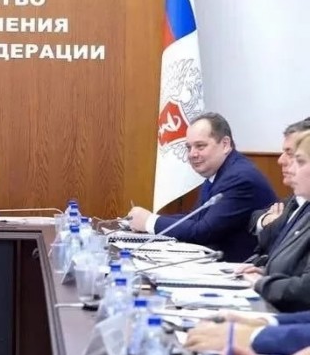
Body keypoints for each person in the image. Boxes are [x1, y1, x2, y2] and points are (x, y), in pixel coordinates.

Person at [127, 112, 277, 261]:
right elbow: (196, 218)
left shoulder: (239, 178)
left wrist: (150, 222)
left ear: (225, 144)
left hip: (240, 268)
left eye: (200, 146)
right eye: (189, 147)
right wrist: (146, 220)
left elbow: (204, 231)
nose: (192, 154)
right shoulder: (219, 171)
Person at [233, 131, 310, 310]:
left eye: (300, 162)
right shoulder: (303, 208)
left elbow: (306, 290)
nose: (291, 169)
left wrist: (263, 283)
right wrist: (267, 274)